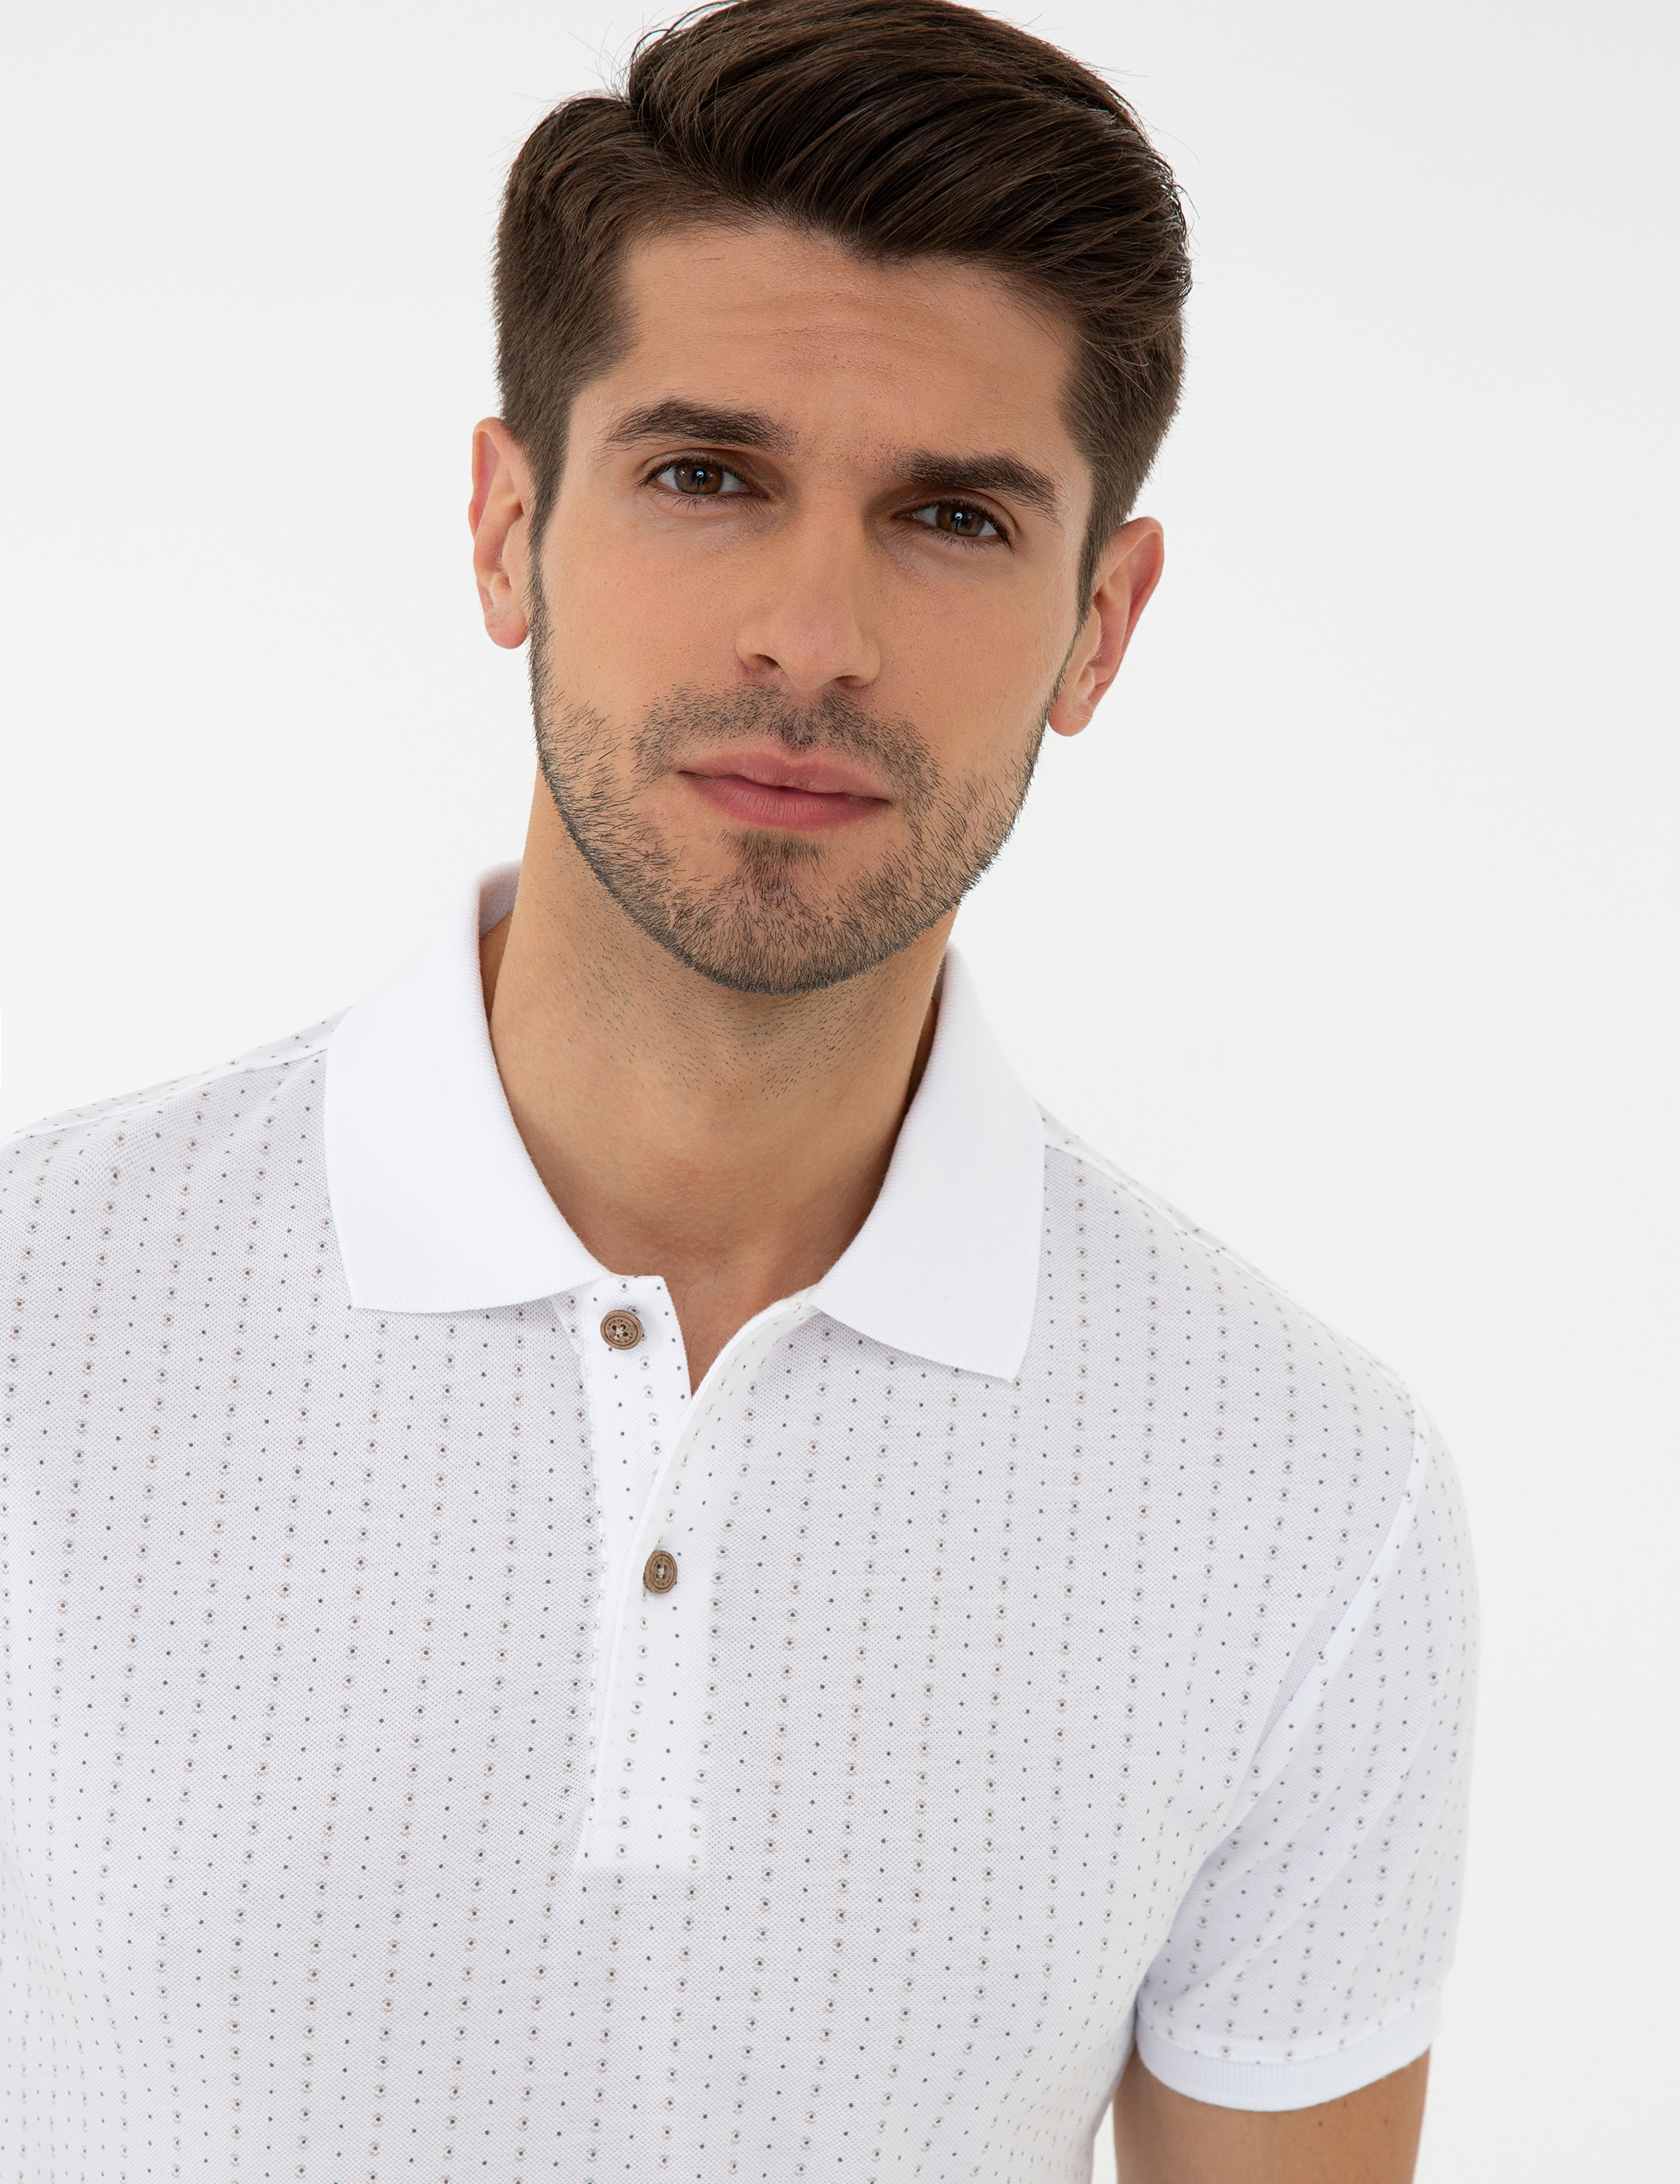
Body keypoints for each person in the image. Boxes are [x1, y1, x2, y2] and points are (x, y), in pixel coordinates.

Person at [0, 1, 1476, 2176]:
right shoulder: (37, 1313)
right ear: (506, 524)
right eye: (706, 477)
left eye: (952, 516)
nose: (811, 633)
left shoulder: (1307, 1502)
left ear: (1101, 623)